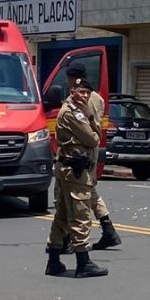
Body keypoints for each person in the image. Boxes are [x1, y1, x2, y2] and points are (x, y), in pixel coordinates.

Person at [45, 77, 108, 278]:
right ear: (72, 91)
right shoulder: (73, 113)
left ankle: (53, 259)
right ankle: (83, 262)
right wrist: (91, 117)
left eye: (87, 93)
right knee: (80, 215)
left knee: (62, 216)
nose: (85, 96)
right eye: (81, 92)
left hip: (71, 169)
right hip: (75, 172)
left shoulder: (75, 111)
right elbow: (93, 139)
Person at [64, 62, 122, 251]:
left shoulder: (74, 98)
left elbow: (81, 128)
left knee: (73, 196)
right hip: (92, 150)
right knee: (90, 191)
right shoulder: (97, 98)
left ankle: (73, 239)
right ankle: (108, 229)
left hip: (78, 153)